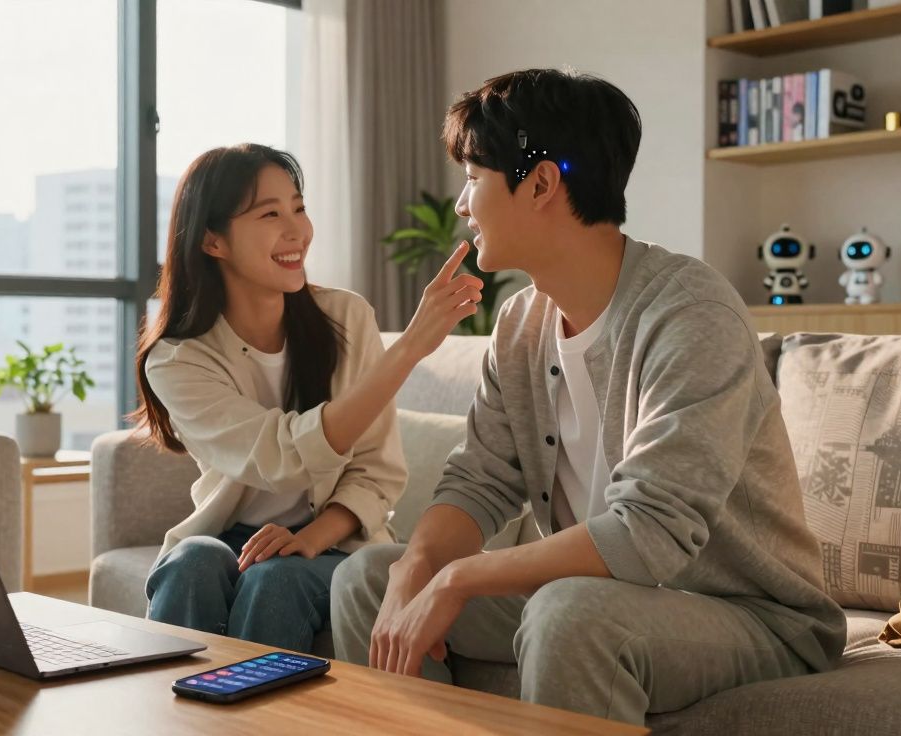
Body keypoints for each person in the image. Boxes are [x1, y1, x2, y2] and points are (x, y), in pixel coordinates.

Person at [330, 68, 846, 725]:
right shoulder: (519, 324)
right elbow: (478, 481)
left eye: (474, 178)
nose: (462, 204)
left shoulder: (691, 312)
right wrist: (420, 565)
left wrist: (458, 577)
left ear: (542, 183)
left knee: (570, 612)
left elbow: (649, 533)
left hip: (750, 615)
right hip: (606, 594)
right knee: (368, 580)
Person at [131, 143, 482, 654]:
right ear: (212, 240)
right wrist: (407, 349)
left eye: (298, 207)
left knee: (277, 579)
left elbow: (377, 470)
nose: (298, 230)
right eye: (270, 214)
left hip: (337, 544)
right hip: (233, 537)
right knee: (191, 563)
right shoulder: (178, 360)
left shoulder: (347, 319)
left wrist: (315, 535)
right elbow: (282, 457)